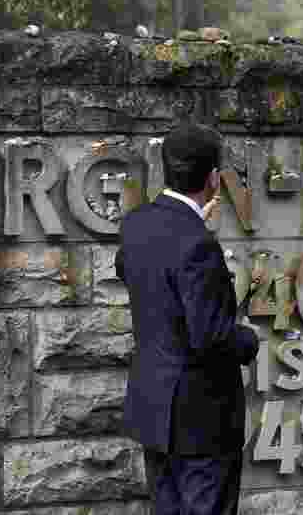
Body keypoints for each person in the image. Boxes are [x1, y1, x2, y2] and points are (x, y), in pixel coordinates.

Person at [115, 123, 259, 515]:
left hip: (154, 411)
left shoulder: (137, 224)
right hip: (200, 422)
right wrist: (248, 340)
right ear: (214, 177)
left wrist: (194, 226)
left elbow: (135, 275)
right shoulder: (197, 243)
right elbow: (209, 336)